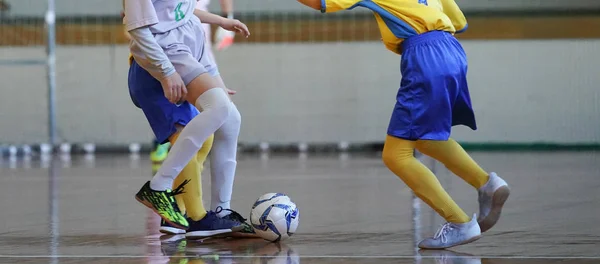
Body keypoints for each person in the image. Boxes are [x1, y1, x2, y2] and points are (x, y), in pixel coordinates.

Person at [294, 0, 510, 249]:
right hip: (452, 50)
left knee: (395, 155)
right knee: (427, 138)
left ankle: (460, 222)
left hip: (425, 56)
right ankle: (487, 183)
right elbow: (459, 22)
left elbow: (320, 2)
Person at [123, 0, 251, 237]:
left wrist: (222, 21)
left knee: (229, 118)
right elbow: (137, 26)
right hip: (158, 61)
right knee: (213, 114)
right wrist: (167, 72)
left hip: (182, 51)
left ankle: (218, 211)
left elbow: (180, 11)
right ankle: (170, 196)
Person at [149, 0, 235, 164]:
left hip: (192, 21)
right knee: (211, 104)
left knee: (224, 111)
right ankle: (162, 175)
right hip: (167, 27)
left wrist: (224, 20)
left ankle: (177, 141)